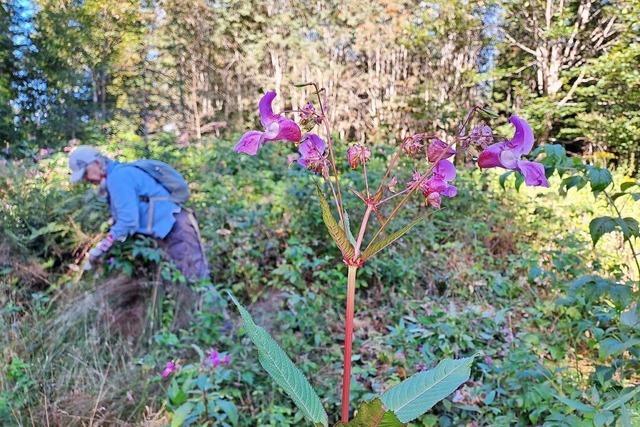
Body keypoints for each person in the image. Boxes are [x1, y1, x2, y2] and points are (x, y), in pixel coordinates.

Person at [68, 146, 209, 281]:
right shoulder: (118, 175)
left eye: (85, 173)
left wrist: (101, 247)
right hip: (170, 228)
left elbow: (128, 221)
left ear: (97, 163)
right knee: (180, 285)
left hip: (175, 229)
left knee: (196, 282)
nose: (86, 179)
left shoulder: (118, 178)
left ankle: (213, 306)